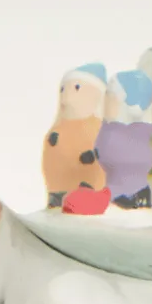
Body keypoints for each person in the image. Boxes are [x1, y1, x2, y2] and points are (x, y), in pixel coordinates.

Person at [42, 63, 108, 208]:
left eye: (76, 88)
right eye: (63, 90)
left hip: (87, 187)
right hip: (58, 188)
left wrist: (93, 155)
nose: (66, 97)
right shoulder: (58, 126)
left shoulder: (98, 128)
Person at [96, 70, 152, 209]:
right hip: (113, 190)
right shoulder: (109, 129)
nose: (105, 102)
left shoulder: (137, 132)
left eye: (110, 96)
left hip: (128, 193)